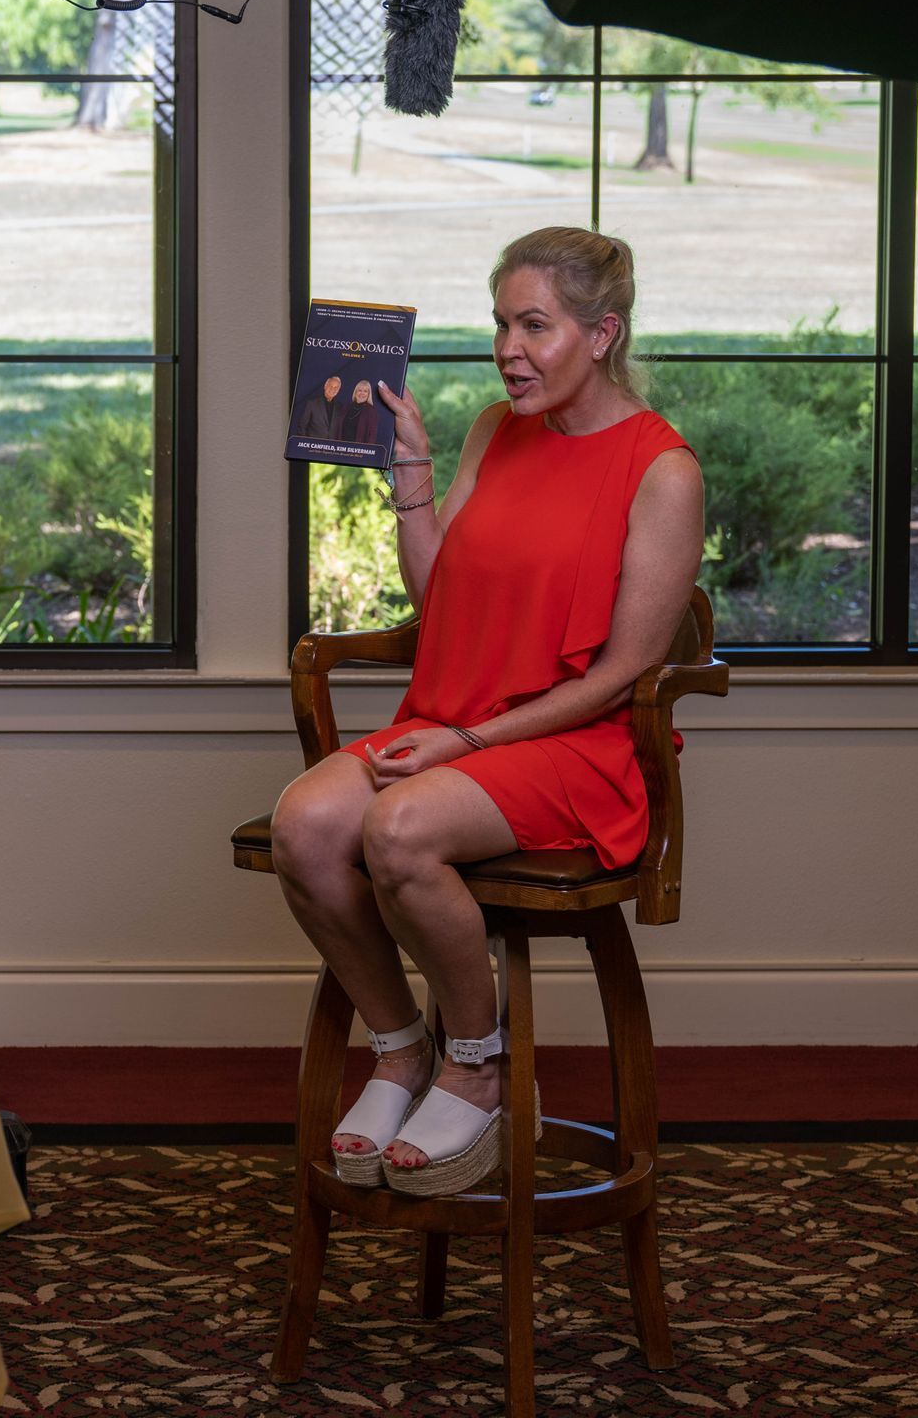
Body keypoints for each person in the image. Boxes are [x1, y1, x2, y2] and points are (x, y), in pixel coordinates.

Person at [268, 227, 704, 1197]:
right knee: (305, 825)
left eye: (535, 325)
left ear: (603, 333)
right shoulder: (490, 432)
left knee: (400, 827)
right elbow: (444, 606)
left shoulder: (661, 471)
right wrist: (409, 478)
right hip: (453, 714)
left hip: (574, 744)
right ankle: (401, 1049)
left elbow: (626, 670)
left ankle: (479, 1061)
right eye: (501, 322)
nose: (508, 347)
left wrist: (468, 741)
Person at [297, 373, 345, 440]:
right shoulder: (312, 403)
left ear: (338, 390)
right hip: (312, 447)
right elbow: (302, 427)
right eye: (330, 386)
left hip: (330, 448)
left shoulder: (340, 407)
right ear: (325, 386)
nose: (332, 389)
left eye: (336, 388)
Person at [339, 378, 383, 448]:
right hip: (342, 448)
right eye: (360, 390)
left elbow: (372, 436)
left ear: (368, 394)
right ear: (355, 392)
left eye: (365, 391)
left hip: (358, 451)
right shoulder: (346, 407)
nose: (362, 393)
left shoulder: (371, 411)